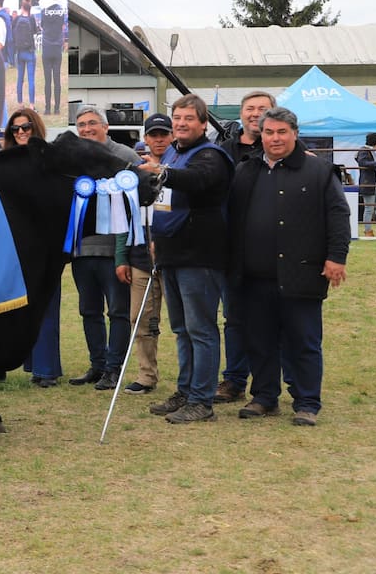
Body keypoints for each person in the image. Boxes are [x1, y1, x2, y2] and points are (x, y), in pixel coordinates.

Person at [228, 107, 350, 426]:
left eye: (282, 132)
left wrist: (337, 257)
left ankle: (307, 401)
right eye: (269, 132)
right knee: (260, 339)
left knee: (304, 341)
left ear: (295, 134)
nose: (275, 138)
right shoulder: (246, 170)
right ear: (261, 135)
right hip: (254, 276)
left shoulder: (320, 171)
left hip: (302, 273)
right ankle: (265, 396)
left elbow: (338, 216)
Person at [137, 94, 234, 424]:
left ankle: (202, 400)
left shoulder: (209, 156)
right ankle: (186, 390)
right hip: (171, 255)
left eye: (188, 118)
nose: (180, 123)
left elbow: (198, 180)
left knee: (201, 330)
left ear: (203, 123)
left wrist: (159, 171)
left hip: (200, 256)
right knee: (181, 329)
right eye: (177, 117)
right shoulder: (176, 156)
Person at [68, 106, 140, 391]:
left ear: (106, 126)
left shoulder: (125, 156)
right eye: (81, 125)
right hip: (82, 251)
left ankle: (114, 368)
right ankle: (97, 365)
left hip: (114, 252)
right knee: (89, 310)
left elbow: (138, 204)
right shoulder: (74, 160)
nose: (86, 129)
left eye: (92, 124)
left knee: (118, 312)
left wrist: (126, 252)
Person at [214, 90, 275, 403]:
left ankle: (267, 386)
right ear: (241, 114)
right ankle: (234, 379)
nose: (255, 113)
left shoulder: (283, 152)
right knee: (235, 318)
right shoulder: (223, 151)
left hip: (272, 252)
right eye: (250, 109)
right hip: (233, 250)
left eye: (262, 108)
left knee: (268, 319)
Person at [3, 108, 62, 387]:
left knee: (46, 307)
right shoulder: (6, 163)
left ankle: (47, 369)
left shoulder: (50, 162)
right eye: (15, 129)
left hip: (44, 244)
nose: (21, 132)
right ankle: (31, 364)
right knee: (20, 310)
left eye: (26, 127)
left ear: (36, 128)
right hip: (12, 247)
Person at [117, 113, 171, 394]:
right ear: (146, 138)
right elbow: (122, 218)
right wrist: (120, 257)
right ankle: (147, 375)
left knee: (188, 325)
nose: (159, 139)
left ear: (172, 136)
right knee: (140, 318)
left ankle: (192, 378)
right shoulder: (133, 173)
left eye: (164, 134)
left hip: (175, 258)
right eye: (154, 135)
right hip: (140, 257)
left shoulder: (181, 166)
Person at [38, 0, 67, 115]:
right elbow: (62, 25)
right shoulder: (61, 11)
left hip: (46, 47)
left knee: (47, 81)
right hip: (57, 48)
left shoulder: (44, 11)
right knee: (57, 80)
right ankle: (57, 108)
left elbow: (43, 25)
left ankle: (47, 108)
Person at [355, 131, 376, 237]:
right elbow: (362, 163)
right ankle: (368, 231)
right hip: (368, 183)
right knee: (369, 208)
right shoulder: (363, 151)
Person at [11, 0, 38, 108]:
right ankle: (31, 105)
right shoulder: (31, 18)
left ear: (22, 7)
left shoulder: (17, 18)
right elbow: (35, 32)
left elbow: (13, 31)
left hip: (19, 52)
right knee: (31, 79)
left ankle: (20, 103)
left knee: (20, 79)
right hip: (30, 52)